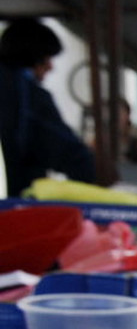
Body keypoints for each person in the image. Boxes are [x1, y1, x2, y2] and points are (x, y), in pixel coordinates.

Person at [0, 17, 95, 195]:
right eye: (47, 58)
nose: (51, 67)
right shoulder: (27, 96)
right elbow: (70, 154)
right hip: (13, 208)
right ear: (32, 57)